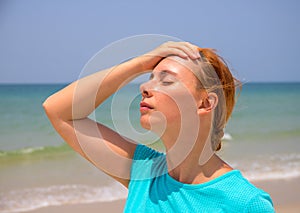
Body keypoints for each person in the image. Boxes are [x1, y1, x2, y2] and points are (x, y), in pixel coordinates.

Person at [43, 41, 275, 212]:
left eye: (166, 80)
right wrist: (139, 63)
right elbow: (58, 111)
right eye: (150, 76)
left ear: (205, 103)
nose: (144, 86)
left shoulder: (245, 203)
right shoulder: (143, 171)